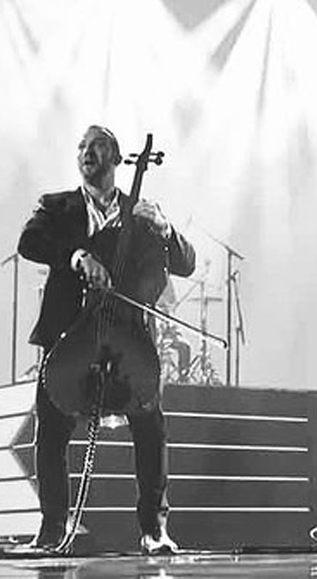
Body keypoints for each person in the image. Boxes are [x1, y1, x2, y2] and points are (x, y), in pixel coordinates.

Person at [18, 125, 196, 554]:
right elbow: (29, 241)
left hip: (127, 340)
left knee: (151, 427)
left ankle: (155, 530)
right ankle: (52, 529)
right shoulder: (57, 206)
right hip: (70, 336)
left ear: (117, 158)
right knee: (52, 430)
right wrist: (77, 256)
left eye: (96, 145)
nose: (86, 152)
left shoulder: (140, 211)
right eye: (80, 146)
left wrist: (165, 227)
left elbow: (186, 265)